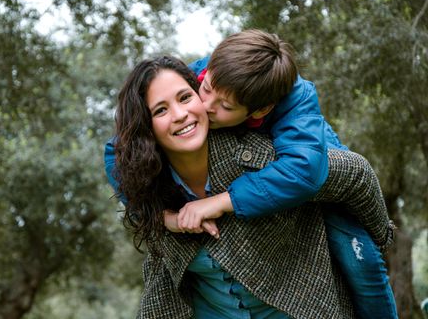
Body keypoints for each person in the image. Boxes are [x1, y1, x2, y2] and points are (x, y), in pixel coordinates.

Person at [105, 55, 393, 318]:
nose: (181, 114)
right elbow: (122, 174)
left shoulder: (269, 150)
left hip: (305, 164)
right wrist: (168, 220)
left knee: (361, 259)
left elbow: (351, 172)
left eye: (184, 97)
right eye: (161, 110)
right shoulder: (148, 179)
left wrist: (381, 236)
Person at [177, 29, 397, 318]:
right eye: (206, 89)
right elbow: (119, 150)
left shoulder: (298, 97)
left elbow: (303, 171)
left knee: (362, 262)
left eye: (226, 106)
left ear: (261, 110)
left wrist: (218, 202)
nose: (206, 107)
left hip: (325, 191)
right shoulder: (203, 72)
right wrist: (164, 217)